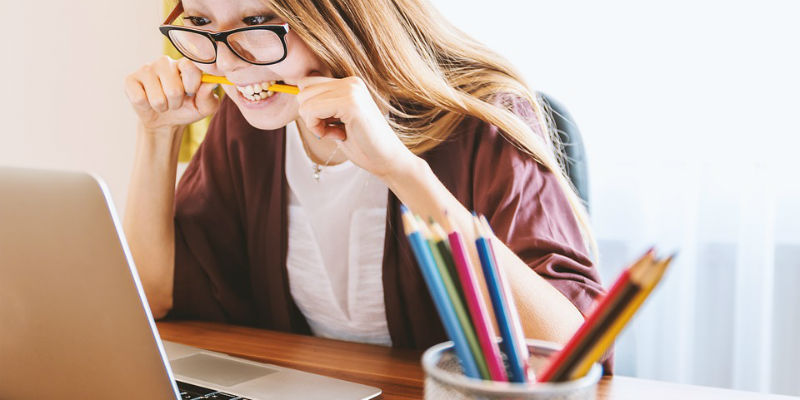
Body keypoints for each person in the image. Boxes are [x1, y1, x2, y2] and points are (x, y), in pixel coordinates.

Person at [123, 0, 605, 356]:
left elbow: (569, 351)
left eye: (257, 22)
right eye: (201, 22)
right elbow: (153, 297)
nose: (225, 63)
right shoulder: (249, 123)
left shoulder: (483, 119)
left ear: (342, 16)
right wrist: (157, 134)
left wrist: (400, 170)